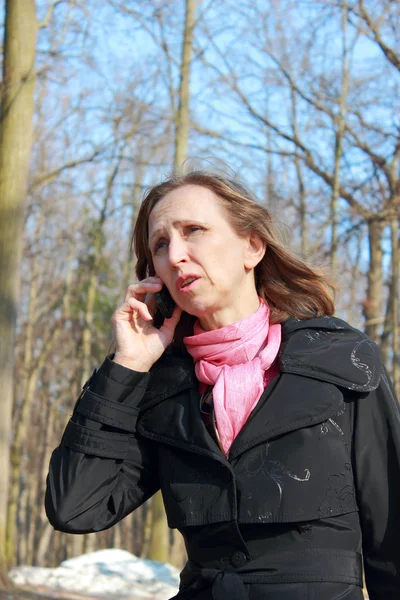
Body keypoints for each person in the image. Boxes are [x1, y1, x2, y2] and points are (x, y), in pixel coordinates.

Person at [45, 171, 400, 600]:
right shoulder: (164, 388)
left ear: (252, 247)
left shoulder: (341, 361)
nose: (175, 255)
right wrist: (127, 365)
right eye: (160, 245)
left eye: (193, 231)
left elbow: (391, 535)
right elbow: (75, 508)